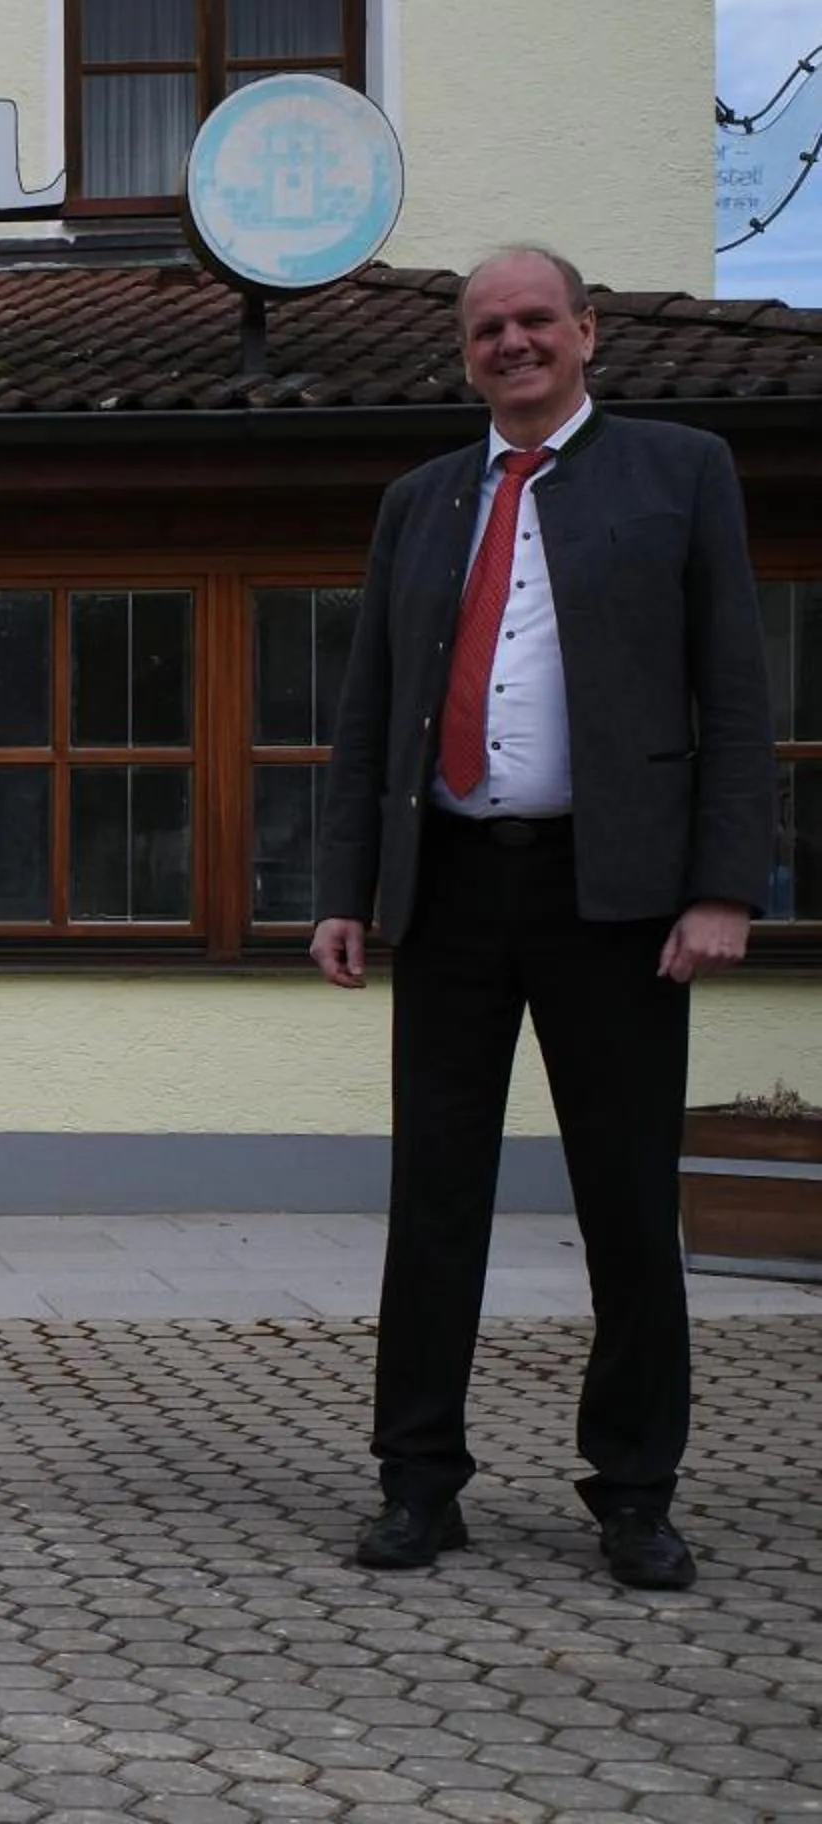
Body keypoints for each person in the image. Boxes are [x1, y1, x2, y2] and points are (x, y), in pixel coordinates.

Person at [311, 246, 775, 1591]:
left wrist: (723, 886)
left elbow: (734, 697)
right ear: (463, 353)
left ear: (585, 332)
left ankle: (634, 1494)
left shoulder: (680, 471)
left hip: (617, 898)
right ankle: (419, 1483)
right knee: (434, 1201)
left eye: (533, 322)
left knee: (627, 1207)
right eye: (486, 328)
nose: (511, 343)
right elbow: (368, 710)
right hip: (449, 888)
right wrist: (347, 889)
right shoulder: (422, 499)